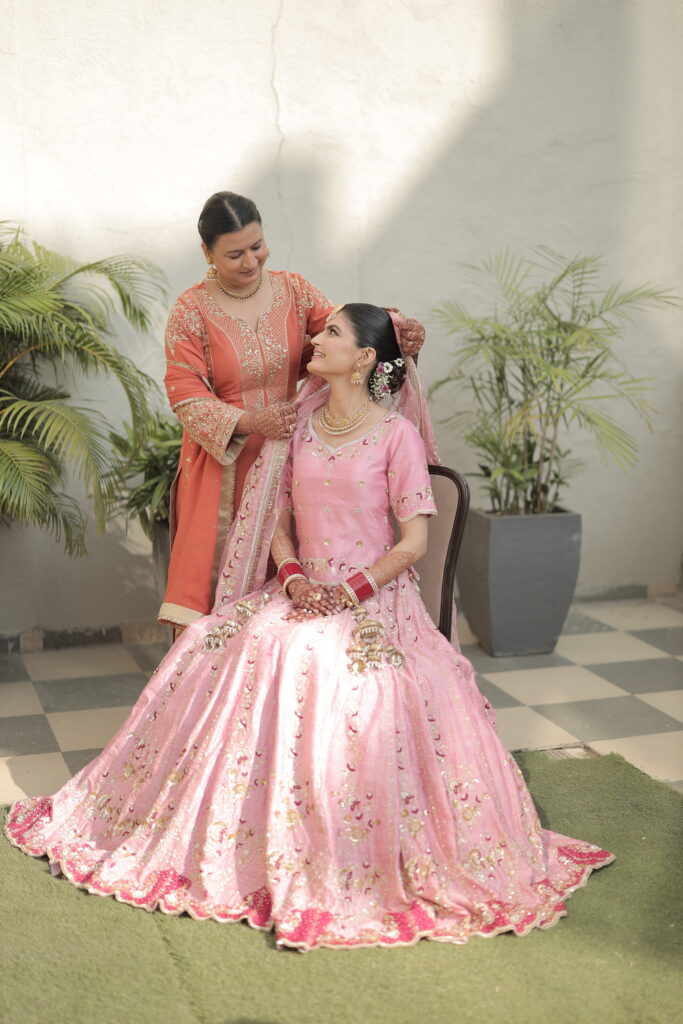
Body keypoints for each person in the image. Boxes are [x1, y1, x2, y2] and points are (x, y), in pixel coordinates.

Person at [5, 303, 613, 952]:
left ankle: (333, 857)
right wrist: (293, 577)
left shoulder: (394, 439)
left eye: (331, 335)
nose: (314, 341)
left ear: (363, 361)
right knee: (223, 640)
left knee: (310, 658)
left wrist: (346, 590)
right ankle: (228, 834)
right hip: (300, 586)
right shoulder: (301, 429)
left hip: (374, 599)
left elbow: (412, 543)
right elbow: (280, 520)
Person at [159, 191, 425, 629]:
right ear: (206, 252)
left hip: (296, 453)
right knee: (215, 601)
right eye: (235, 254)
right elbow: (183, 389)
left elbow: (346, 337)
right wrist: (248, 421)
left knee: (287, 579)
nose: (250, 262)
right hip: (225, 462)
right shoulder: (191, 310)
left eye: (257, 246)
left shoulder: (294, 290)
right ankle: (206, 690)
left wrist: (397, 330)